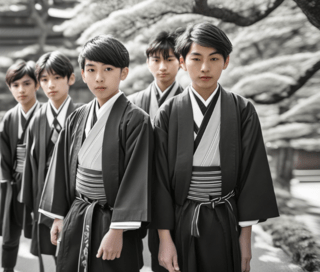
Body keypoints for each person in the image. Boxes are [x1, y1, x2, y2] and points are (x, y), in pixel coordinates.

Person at [150, 22, 279, 272]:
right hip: (179, 220)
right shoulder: (168, 113)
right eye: (196, 59)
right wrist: (164, 240)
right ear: (182, 62)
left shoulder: (242, 110)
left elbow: (252, 176)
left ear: (226, 61)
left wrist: (245, 239)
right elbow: (158, 180)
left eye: (214, 58)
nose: (205, 68)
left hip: (225, 218)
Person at [38, 35, 153, 272]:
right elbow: (61, 169)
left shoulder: (136, 120)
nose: (98, 77)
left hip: (112, 220)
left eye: (108, 69)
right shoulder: (77, 117)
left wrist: (117, 230)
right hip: (77, 214)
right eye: (91, 69)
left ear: (123, 73)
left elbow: (137, 179)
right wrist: (59, 216)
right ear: (82, 73)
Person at [19, 51, 79, 272]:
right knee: (52, 252)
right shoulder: (37, 117)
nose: (50, 85)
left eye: (56, 78)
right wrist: (32, 203)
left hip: (74, 197)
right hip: (43, 196)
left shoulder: (83, 115)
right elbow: (30, 165)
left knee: (75, 252)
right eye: (44, 79)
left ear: (70, 79)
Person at [0, 61, 41, 272]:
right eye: (15, 85)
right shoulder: (9, 118)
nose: (21, 90)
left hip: (39, 185)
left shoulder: (46, 115)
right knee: (10, 233)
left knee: (42, 235)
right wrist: (6, 181)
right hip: (14, 182)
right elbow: (4, 155)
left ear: (37, 85)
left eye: (26, 83)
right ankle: (7, 268)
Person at [128, 30, 183, 121]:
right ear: (148, 63)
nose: (162, 67)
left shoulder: (190, 102)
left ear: (180, 63)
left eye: (169, 60)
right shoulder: (132, 103)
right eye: (156, 60)